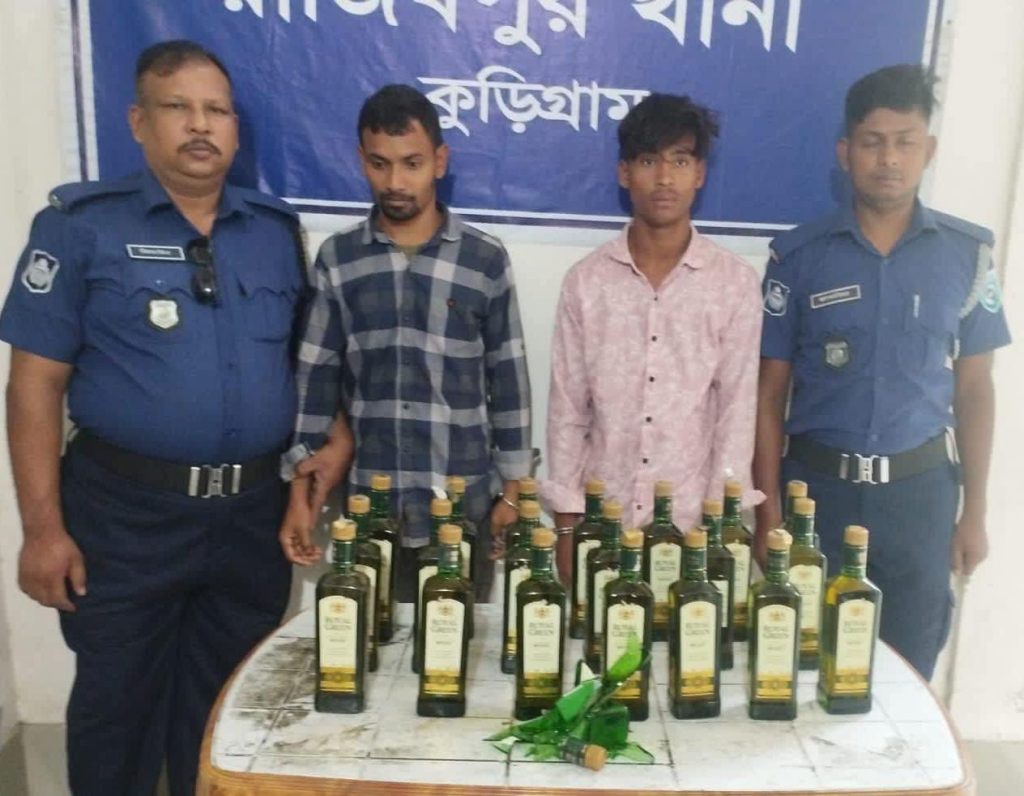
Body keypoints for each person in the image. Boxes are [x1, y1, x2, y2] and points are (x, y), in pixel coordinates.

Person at [0, 40, 305, 795]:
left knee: (228, 715)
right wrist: (42, 530)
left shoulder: (274, 233)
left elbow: (305, 370)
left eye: (216, 111)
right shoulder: (80, 227)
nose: (200, 126)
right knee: (119, 714)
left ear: (234, 128)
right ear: (139, 122)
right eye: (178, 108)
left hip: (247, 520)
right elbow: (33, 387)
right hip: (124, 519)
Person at [754, 64, 1011, 679]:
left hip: (918, 500)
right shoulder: (798, 258)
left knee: (908, 673)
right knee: (800, 669)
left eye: (905, 142)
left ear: (929, 150)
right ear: (846, 152)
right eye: (872, 142)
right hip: (817, 497)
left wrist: (975, 511)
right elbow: (767, 396)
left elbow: (976, 390)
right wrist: (767, 518)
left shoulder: (967, 255)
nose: (889, 159)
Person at [279, 84, 532, 600]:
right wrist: (299, 493)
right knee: (369, 644)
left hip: (463, 511)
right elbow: (315, 381)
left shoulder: (484, 260)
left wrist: (513, 492)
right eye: (380, 164)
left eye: (411, 163)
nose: (395, 182)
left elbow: (508, 381)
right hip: (373, 514)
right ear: (362, 161)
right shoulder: (340, 260)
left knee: (454, 646)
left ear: (439, 161)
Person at [541, 93, 763, 580]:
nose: (664, 178)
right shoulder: (587, 282)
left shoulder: (733, 284)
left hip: (692, 530)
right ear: (624, 173)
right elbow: (568, 412)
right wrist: (567, 527)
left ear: (699, 173)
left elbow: (735, 413)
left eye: (680, 161)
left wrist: (720, 530)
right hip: (601, 528)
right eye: (648, 161)